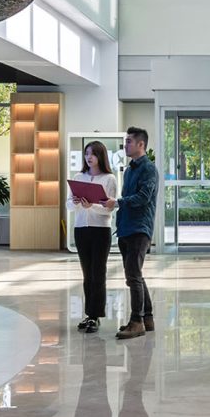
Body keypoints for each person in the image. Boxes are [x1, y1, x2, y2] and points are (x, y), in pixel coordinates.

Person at [114, 126, 160, 341]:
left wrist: (118, 202)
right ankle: (147, 318)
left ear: (141, 144)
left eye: (130, 141)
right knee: (135, 275)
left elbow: (143, 197)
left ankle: (136, 322)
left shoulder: (148, 169)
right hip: (125, 227)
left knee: (133, 276)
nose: (126, 144)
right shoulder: (130, 169)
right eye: (126, 140)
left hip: (139, 228)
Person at [69, 141, 119, 332]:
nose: (89, 157)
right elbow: (69, 206)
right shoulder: (78, 177)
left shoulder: (109, 179)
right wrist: (75, 202)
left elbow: (108, 210)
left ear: (101, 156)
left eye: (93, 154)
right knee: (87, 273)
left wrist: (93, 206)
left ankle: (95, 315)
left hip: (100, 230)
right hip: (81, 229)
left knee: (98, 273)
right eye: (86, 154)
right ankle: (89, 314)